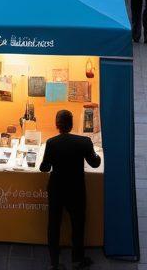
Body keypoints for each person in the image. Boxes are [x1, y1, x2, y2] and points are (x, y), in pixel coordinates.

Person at [39, 108, 101, 270]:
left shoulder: (51, 143)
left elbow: (44, 168)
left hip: (56, 189)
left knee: (54, 225)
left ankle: (54, 262)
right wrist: (97, 155)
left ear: (57, 125)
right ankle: (77, 259)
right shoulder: (84, 142)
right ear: (72, 124)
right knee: (78, 224)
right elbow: (95, 163)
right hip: (76, 189)